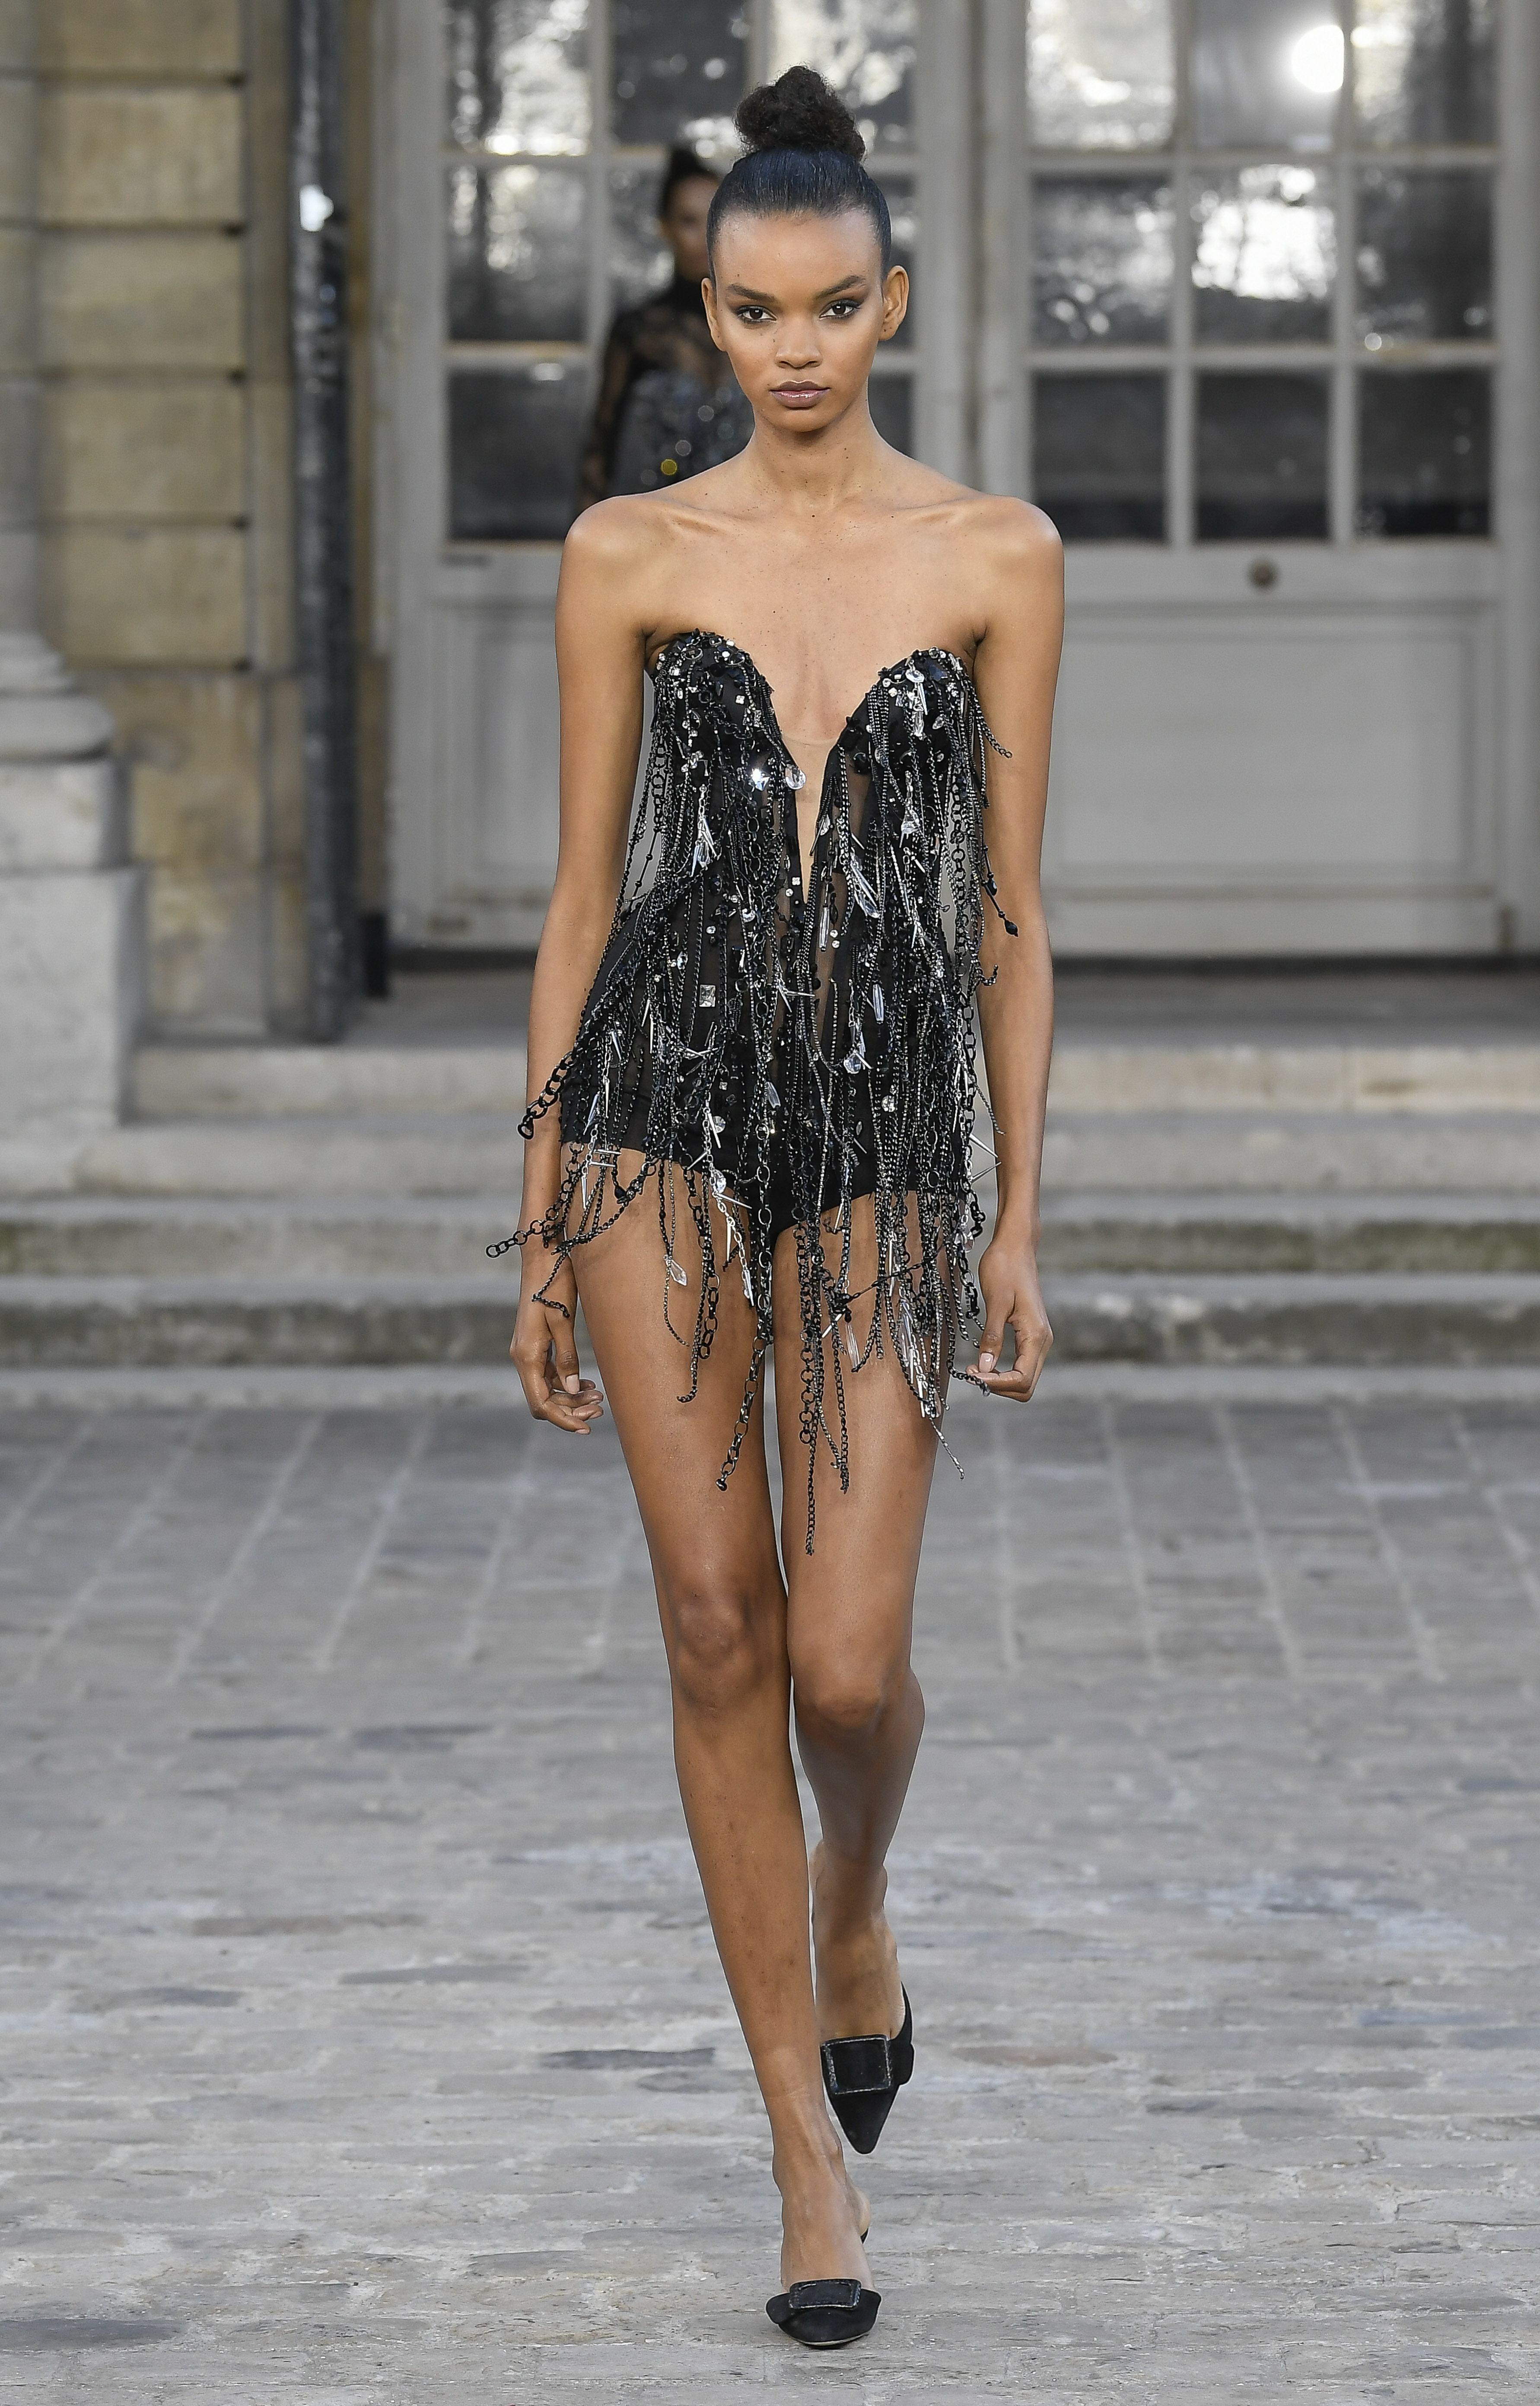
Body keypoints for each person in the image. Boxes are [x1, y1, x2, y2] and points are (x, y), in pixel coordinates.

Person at [503, 64, 1061, 2350]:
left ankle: (859, 1911)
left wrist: (1017, 1220)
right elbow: (576, 902)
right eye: (754, 311)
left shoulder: (996, 554)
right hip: (659, 1111)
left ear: (890, 302)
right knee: (718, 1624)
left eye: (831, 307)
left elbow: (1010, 917)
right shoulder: (630, 555)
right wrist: (538, 1214)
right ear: (706, 309)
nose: (793, 348)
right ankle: (800, 2159)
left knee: (846, 1656)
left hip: (888, 1122)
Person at [577, 146, 754, 508]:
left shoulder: (758, 322)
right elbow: (602, 446)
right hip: (660, 523)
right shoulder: (639, 332)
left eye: (714, 220)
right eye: (689, 221)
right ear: (665, 227)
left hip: (751, 524)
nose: (703, 237)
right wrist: (585, 534)